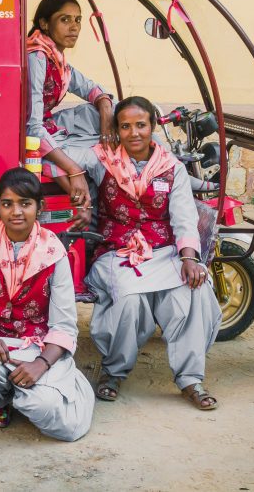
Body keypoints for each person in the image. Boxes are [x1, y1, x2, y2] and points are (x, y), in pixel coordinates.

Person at [54, 96, 221, 408]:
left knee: (193, 292)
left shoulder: (172, 169)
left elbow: (184, 217)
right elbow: (49, 154)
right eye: (125, 126)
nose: (133, 133)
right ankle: (114, 371)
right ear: (116, 131)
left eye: (140, 125)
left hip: (166, 253)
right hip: (116, 251)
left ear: (152, 127)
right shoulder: (100, 158)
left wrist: (189, 258)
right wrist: (74, 175)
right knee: (129, 298)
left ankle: (191, 379)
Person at [0, 168, 94, 441]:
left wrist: (41, 364)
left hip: (39, 346)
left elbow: (64, 324)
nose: (16, 212)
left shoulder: (54, 252)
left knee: (49, 410)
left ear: (40, 207)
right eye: (7, 203)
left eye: (25, 203)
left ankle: (30, 394)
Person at [27, 0, 116, 211]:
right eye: (65, 19)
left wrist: (106, 113)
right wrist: (74, 170)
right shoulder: (37, 57)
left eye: (77, 20)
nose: (74, 27)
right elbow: (32, 128)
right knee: (105, 156)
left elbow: (92, 89)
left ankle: (163, 166)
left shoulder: (56, 58)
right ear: (45, 23)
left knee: (124, 110)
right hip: (29, 138)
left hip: (50, 128)